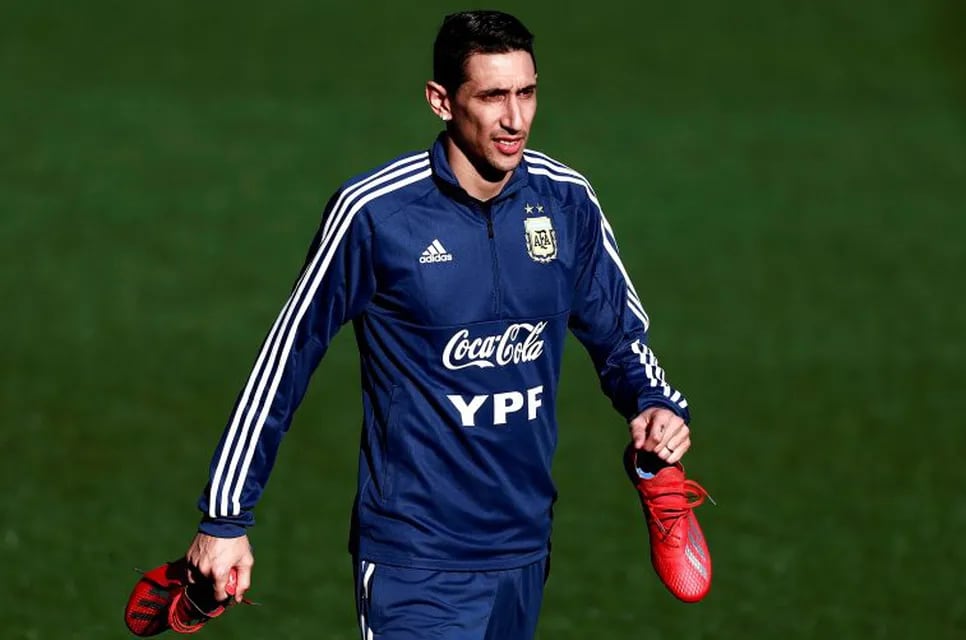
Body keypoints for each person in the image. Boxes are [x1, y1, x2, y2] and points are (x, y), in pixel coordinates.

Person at [183, 9, 710, 639]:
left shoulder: (566, 201)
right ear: (441, 101)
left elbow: (620, 335)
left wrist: (651, 403)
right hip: (415, 556)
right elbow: (284, 361)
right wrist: (224, 518)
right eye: (492, 96)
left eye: (527, 92)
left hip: (523, 544)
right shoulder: (376, 215)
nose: (515, 119)